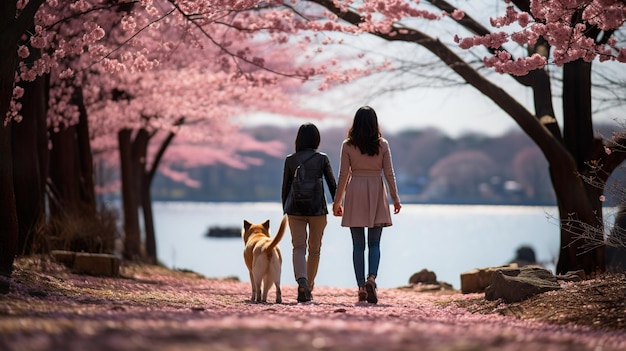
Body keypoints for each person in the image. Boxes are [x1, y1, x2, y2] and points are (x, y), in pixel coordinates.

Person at [332, 106, 401, 304]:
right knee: (374, 243)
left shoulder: (347, 145)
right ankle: (372, 278)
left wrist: (337, 202)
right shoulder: (383, 144)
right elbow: (389, 173)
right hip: (377, 191)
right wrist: (395, 199)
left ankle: (361, 287)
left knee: (357, 245)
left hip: (355, 192)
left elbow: (343, 175)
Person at [282, 123, 337, 303]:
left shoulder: (290, 160)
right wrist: (338, 203)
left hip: (295, 210)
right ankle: (309, 286)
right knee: (315, 249)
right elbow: (331, 184)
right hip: (317, 210)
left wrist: (286, 209)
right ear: (316, 139)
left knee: (298, 247)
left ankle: (302, 281)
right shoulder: (322, 159)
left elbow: (286, 187)